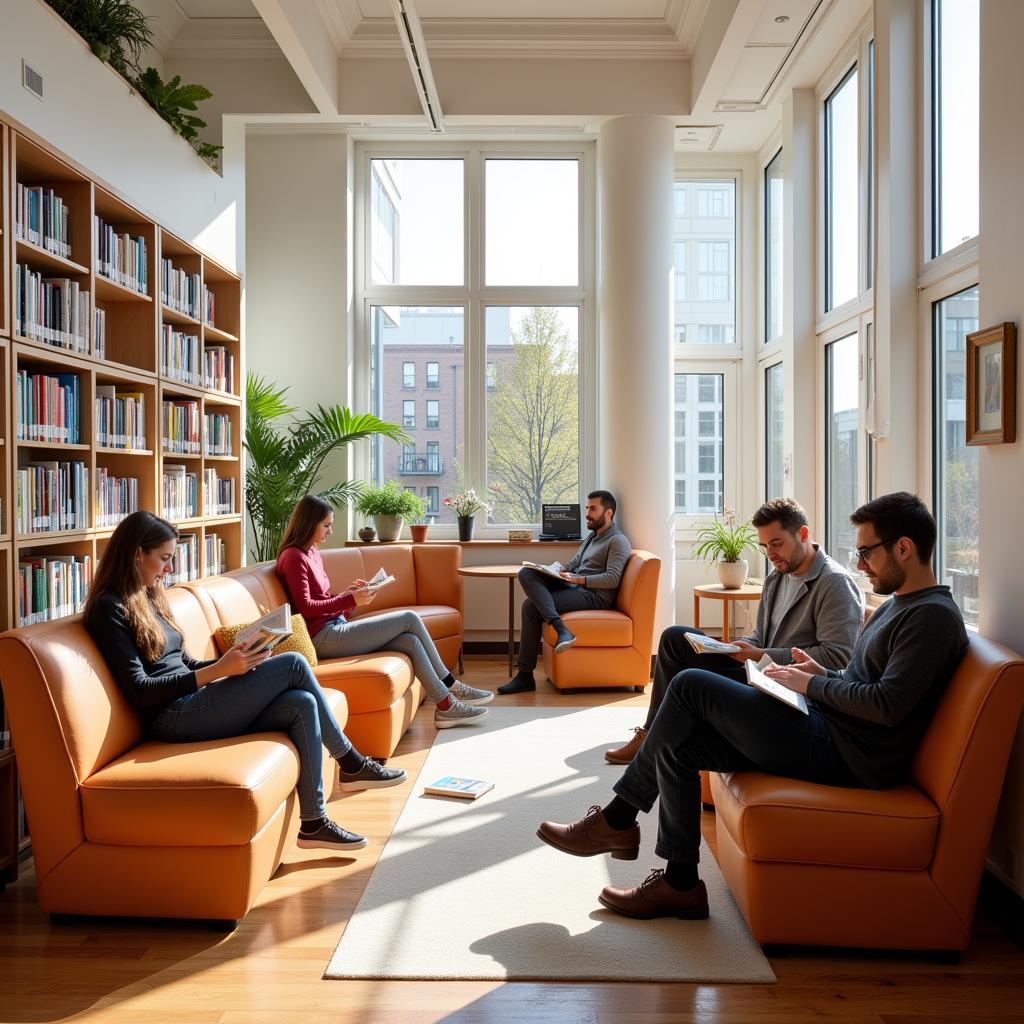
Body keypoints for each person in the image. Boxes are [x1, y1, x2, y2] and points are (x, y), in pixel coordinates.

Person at [537, 493, 968, 921]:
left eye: (866, 552)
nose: (859, 564)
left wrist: (814, 683)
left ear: (904, 548)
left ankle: (618, 817)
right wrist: (819, 674)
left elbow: (887, 706)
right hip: (827, 725)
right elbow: (861, 682)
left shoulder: (931, 617)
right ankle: (681, 883)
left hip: (848, 752)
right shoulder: (898, 606)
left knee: (689, 686)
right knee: (681, 746)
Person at [84, 511, 403, 855]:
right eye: (164, 559)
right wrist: (220, 670)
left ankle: (314, 822)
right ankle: (352, 763)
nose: (168, 569)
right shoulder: (109, 609)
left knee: (302, 704)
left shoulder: (149, 596)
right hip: (171, 716)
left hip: (196, 700)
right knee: (293, 663)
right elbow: (140, 690)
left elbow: (185, 663)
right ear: (136, 554)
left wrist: (235, 660)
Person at [605, 497, 862, 764]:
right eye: (764, 546)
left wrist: (760, 653)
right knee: (675, 638)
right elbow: (760, 636)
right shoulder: (777, 576)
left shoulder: (834, 583)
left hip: (788, 692)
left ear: (803, 534)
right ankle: (650, 732)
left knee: (690, 681)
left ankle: (659, 738)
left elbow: (837, 659)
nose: (770, 554)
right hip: (759, 674)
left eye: (777, 544)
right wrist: (735, 647)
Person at [276, 495, 493, 728]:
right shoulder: (294, 557)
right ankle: (451, 684)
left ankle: (445, 707)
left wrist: (348, 597)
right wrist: (349, 599)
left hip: (335, 626)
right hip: (322, 638)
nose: (330, 531)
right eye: (326, 525)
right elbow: (306, 608)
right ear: (308, 524)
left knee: (410, 641)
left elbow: (321, 600)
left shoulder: (312, 552)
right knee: (409, 618)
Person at [499, 490, 632, 695]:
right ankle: (534, 665)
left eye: (593, 509)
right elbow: (575, 563)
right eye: (587, 508)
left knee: (530, 607)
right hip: (575, 586)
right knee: (527, 573)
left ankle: (529, 670)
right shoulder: (592, 537)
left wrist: (580, 579)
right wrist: (557, 571)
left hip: (595, 596)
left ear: (608, 513)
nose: (587, 513)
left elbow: (612, 579)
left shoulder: (617, 541)